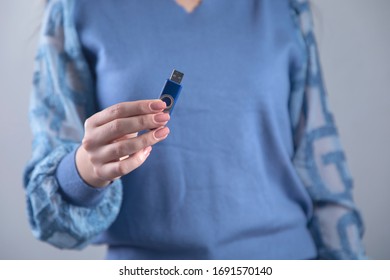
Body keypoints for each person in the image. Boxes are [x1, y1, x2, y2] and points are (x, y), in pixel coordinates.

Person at [24, 0, 366, 259]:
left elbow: (325, 180)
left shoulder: (284, 8)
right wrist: (86, 171)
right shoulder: (77, 8)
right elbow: (47, 216)